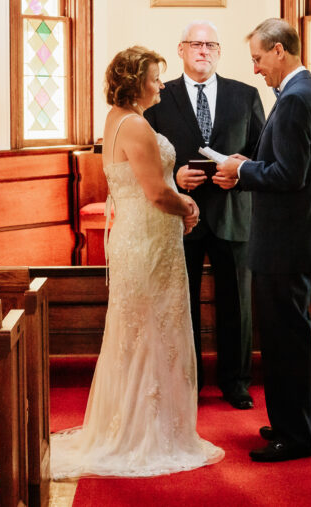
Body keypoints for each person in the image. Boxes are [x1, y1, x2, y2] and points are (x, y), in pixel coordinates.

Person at [50, 46, 224, 478]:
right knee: (154, 328)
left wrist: (175, 195)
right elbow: (156, 193)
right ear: (134, 82)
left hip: (138, 236)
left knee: (139, 329)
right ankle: (147, 433)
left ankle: (135, 423)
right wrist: (186, 206)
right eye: (154, 77)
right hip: (149, 241)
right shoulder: (137, 126)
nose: (161, 84)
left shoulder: (116, 120)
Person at [213, 18, 311, 463]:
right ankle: (288, 423)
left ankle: (295, 437)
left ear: (280, 51)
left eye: (259, 59)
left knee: (286, 344)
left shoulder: (298, 99)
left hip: (284, 245)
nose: (257, 69)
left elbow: (289, 175)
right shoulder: (306, 93)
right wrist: (248, 162)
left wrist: (241, 171)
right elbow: (286, 165)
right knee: (285, 340)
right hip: (291, 241)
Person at [144, 21, 264, 410]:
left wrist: (240, 175)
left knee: (238, 306)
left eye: (211, 44)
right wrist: (173, 176)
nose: (204, 51)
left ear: (219, 51)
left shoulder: (245, 95)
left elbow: (262, 154)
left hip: (233, 212)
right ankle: (187, 382)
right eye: (196, 44)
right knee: (182, 302)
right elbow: (146, 156)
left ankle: (236, 382)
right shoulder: (160, 97)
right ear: (180, 50)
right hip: (181, 216)